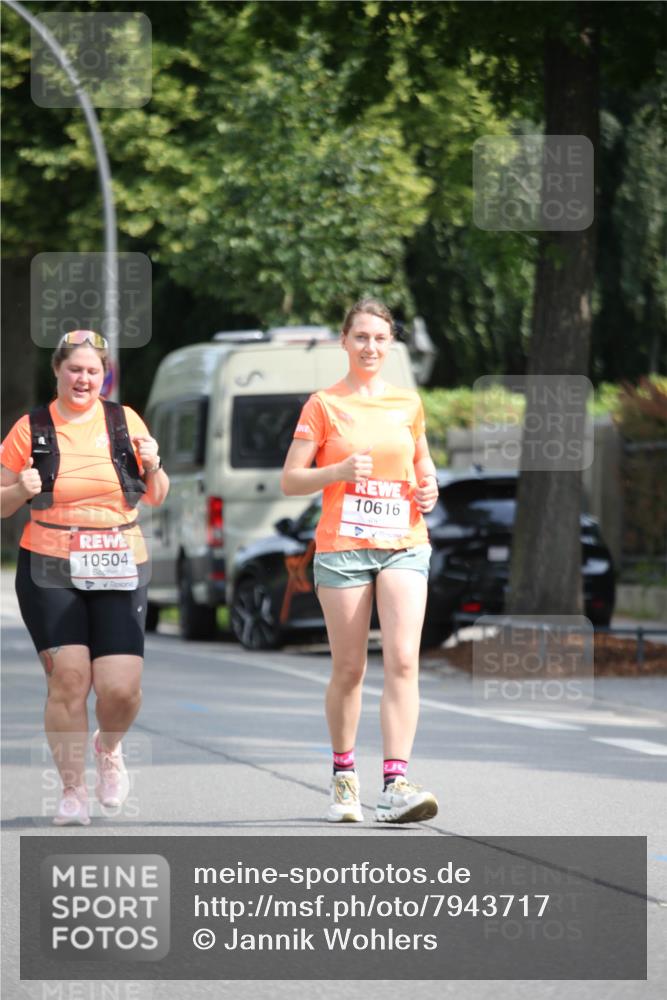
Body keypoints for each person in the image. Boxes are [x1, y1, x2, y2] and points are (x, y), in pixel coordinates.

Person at [0, 330, 169, 825]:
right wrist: (20, 490)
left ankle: (108, 747)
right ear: (57, 371)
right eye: (74, 369)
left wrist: (155, 465)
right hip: (50, 561)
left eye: (93, 371)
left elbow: (157, 493)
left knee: (121, 689)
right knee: (69, 680)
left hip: (119, 558)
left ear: (104, 376)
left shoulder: (124, 421)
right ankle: (73, 790)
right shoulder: (31, 428)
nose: (83, 378)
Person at [281, 298, 439, 824]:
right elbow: (291, 480)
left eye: (380, 338)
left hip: (404, 541)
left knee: (404, 660)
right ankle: (345, 775)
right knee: (350, 668)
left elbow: (422, 463)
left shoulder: (407, 403)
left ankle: (395, 785)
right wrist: (339, 470)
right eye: (362, 337)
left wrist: (430, 486)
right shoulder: (323, 405)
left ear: (391, 344)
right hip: (343, 547)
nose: (371, 347)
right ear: (344, 342)